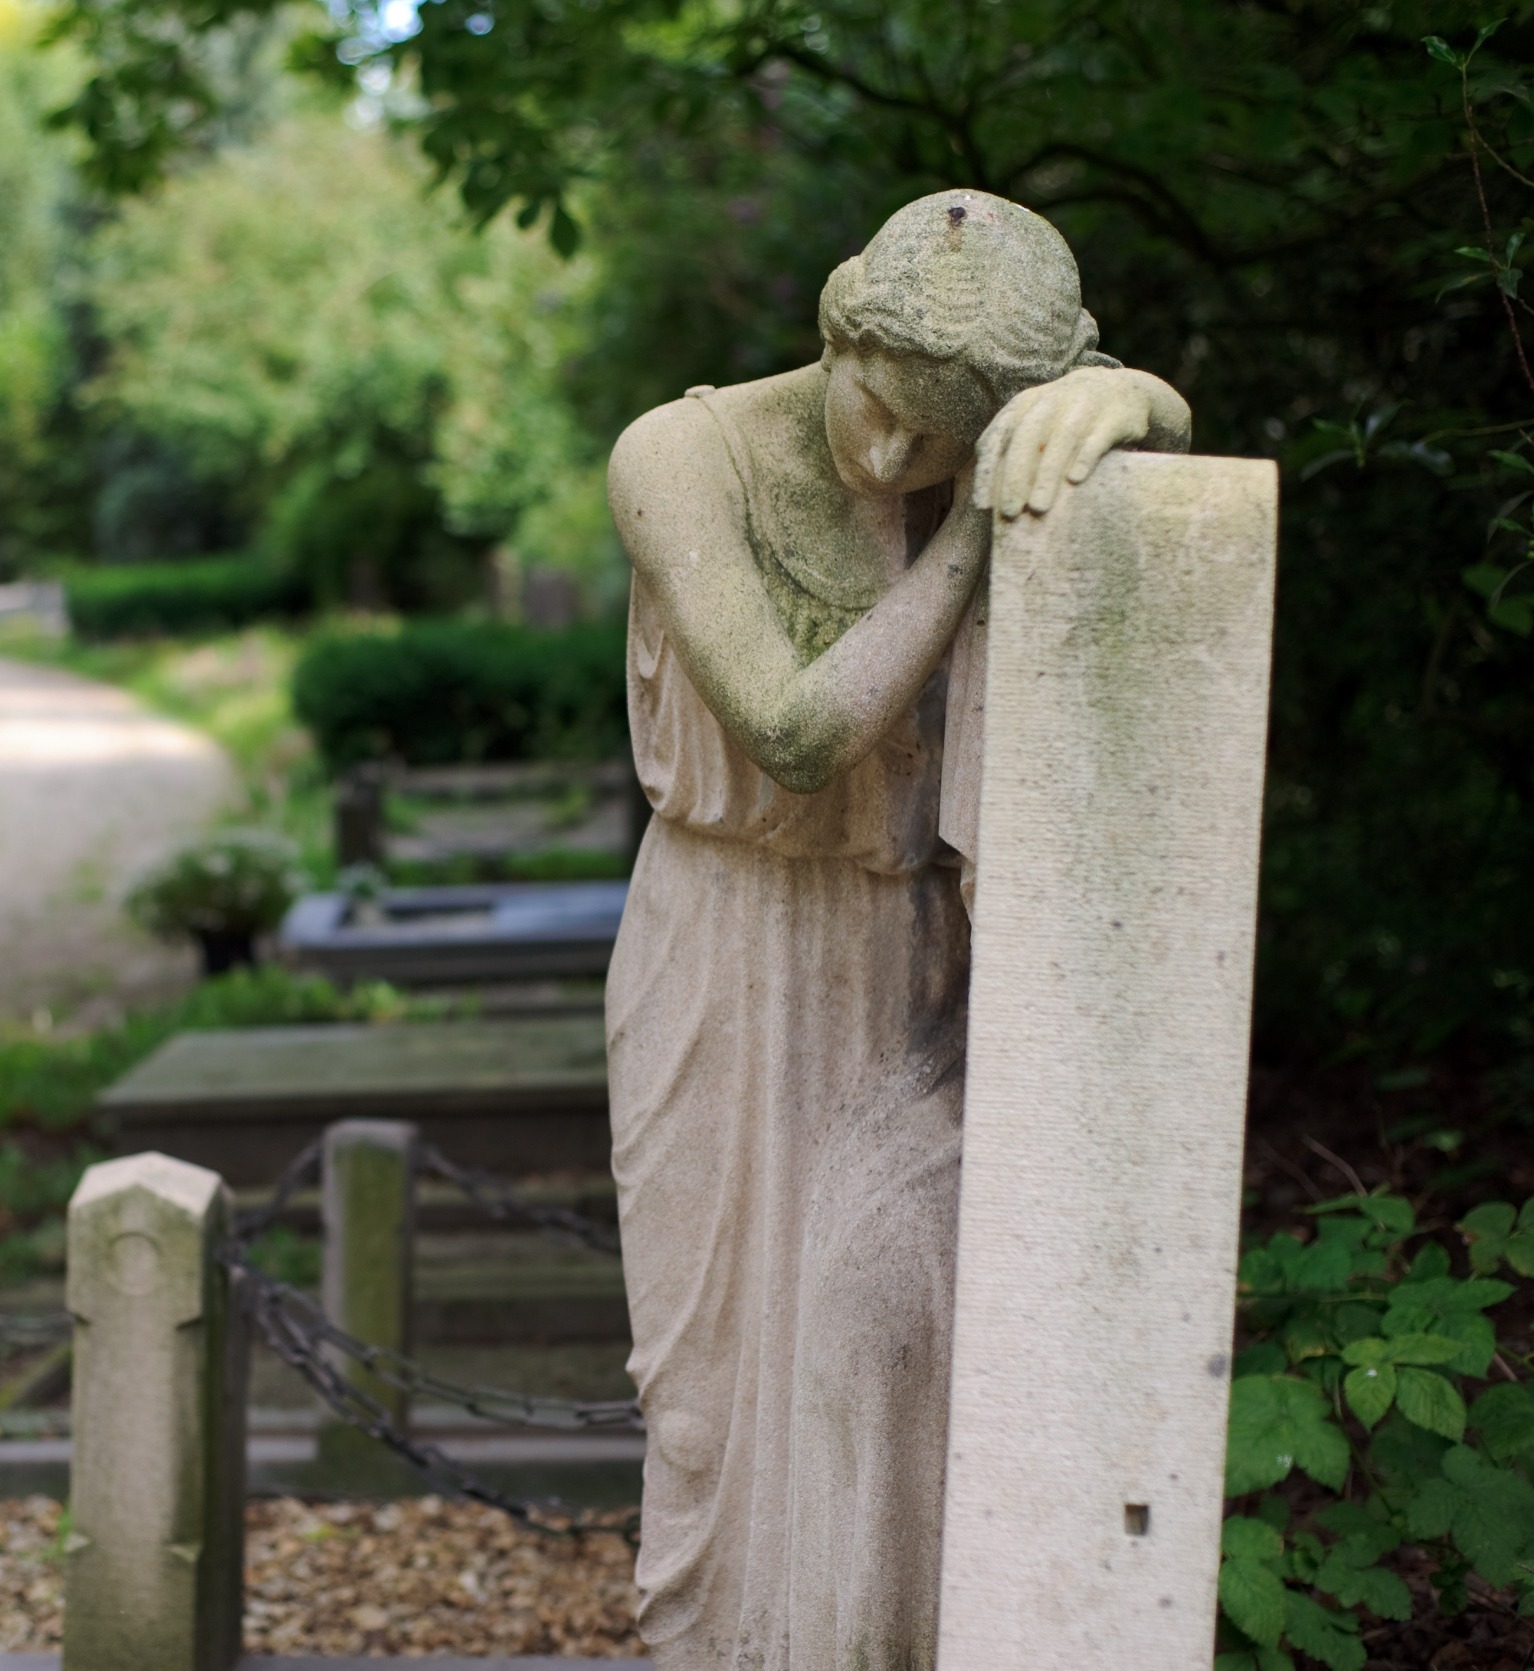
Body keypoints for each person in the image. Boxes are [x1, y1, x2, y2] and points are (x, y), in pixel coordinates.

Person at [603, 188, 1193, 1670]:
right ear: (836, 325)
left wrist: (1132, 402)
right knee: (701, 1402)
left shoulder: (964, 461)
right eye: (882, 409)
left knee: (891, 1338)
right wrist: (974, 538)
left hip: (912, 963)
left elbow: (1160, 497)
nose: (897, 458)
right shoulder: (681, 455)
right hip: (716, 953)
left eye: (945, 440)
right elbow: (797, 733)